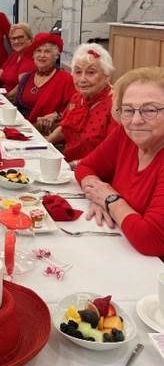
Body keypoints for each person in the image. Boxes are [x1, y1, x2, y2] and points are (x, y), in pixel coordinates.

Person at [75, 67, 164, 257]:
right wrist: (98, 195)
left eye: (150, 110)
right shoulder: (125, 135)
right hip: (121, 246)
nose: (136, 120)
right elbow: (86, 167)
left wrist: (110, 200)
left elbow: (151, 240)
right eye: (128, 110)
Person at [46, 43, 117, 168]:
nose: (82, 79)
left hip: (96, 171)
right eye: (78, 72)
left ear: (107, 75)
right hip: (67, 163)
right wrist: (46, 142)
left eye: (91, 72)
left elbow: (112, 153)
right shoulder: (77, 98)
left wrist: (72, 166)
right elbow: (66, 127)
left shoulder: (116, 105)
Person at [15, 32, 74, 133]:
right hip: (22, 129)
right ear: (33, 55)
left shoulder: (66, 79)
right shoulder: (26, 78)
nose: (42, 55)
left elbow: (74, 108)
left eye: (47, 51)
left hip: (48, 133)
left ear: (56, 56)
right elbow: (17, 108)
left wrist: (56, 115)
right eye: (38, 51)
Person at [0, 23, 34, 101]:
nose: (16, 41)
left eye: (20, 37)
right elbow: (1, 73)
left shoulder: (30, 56)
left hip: (14, 101)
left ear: (30, 39)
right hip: (4, 95)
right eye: (13, 38)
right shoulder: (15, 54)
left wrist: (5, 99)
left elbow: (21, 86)